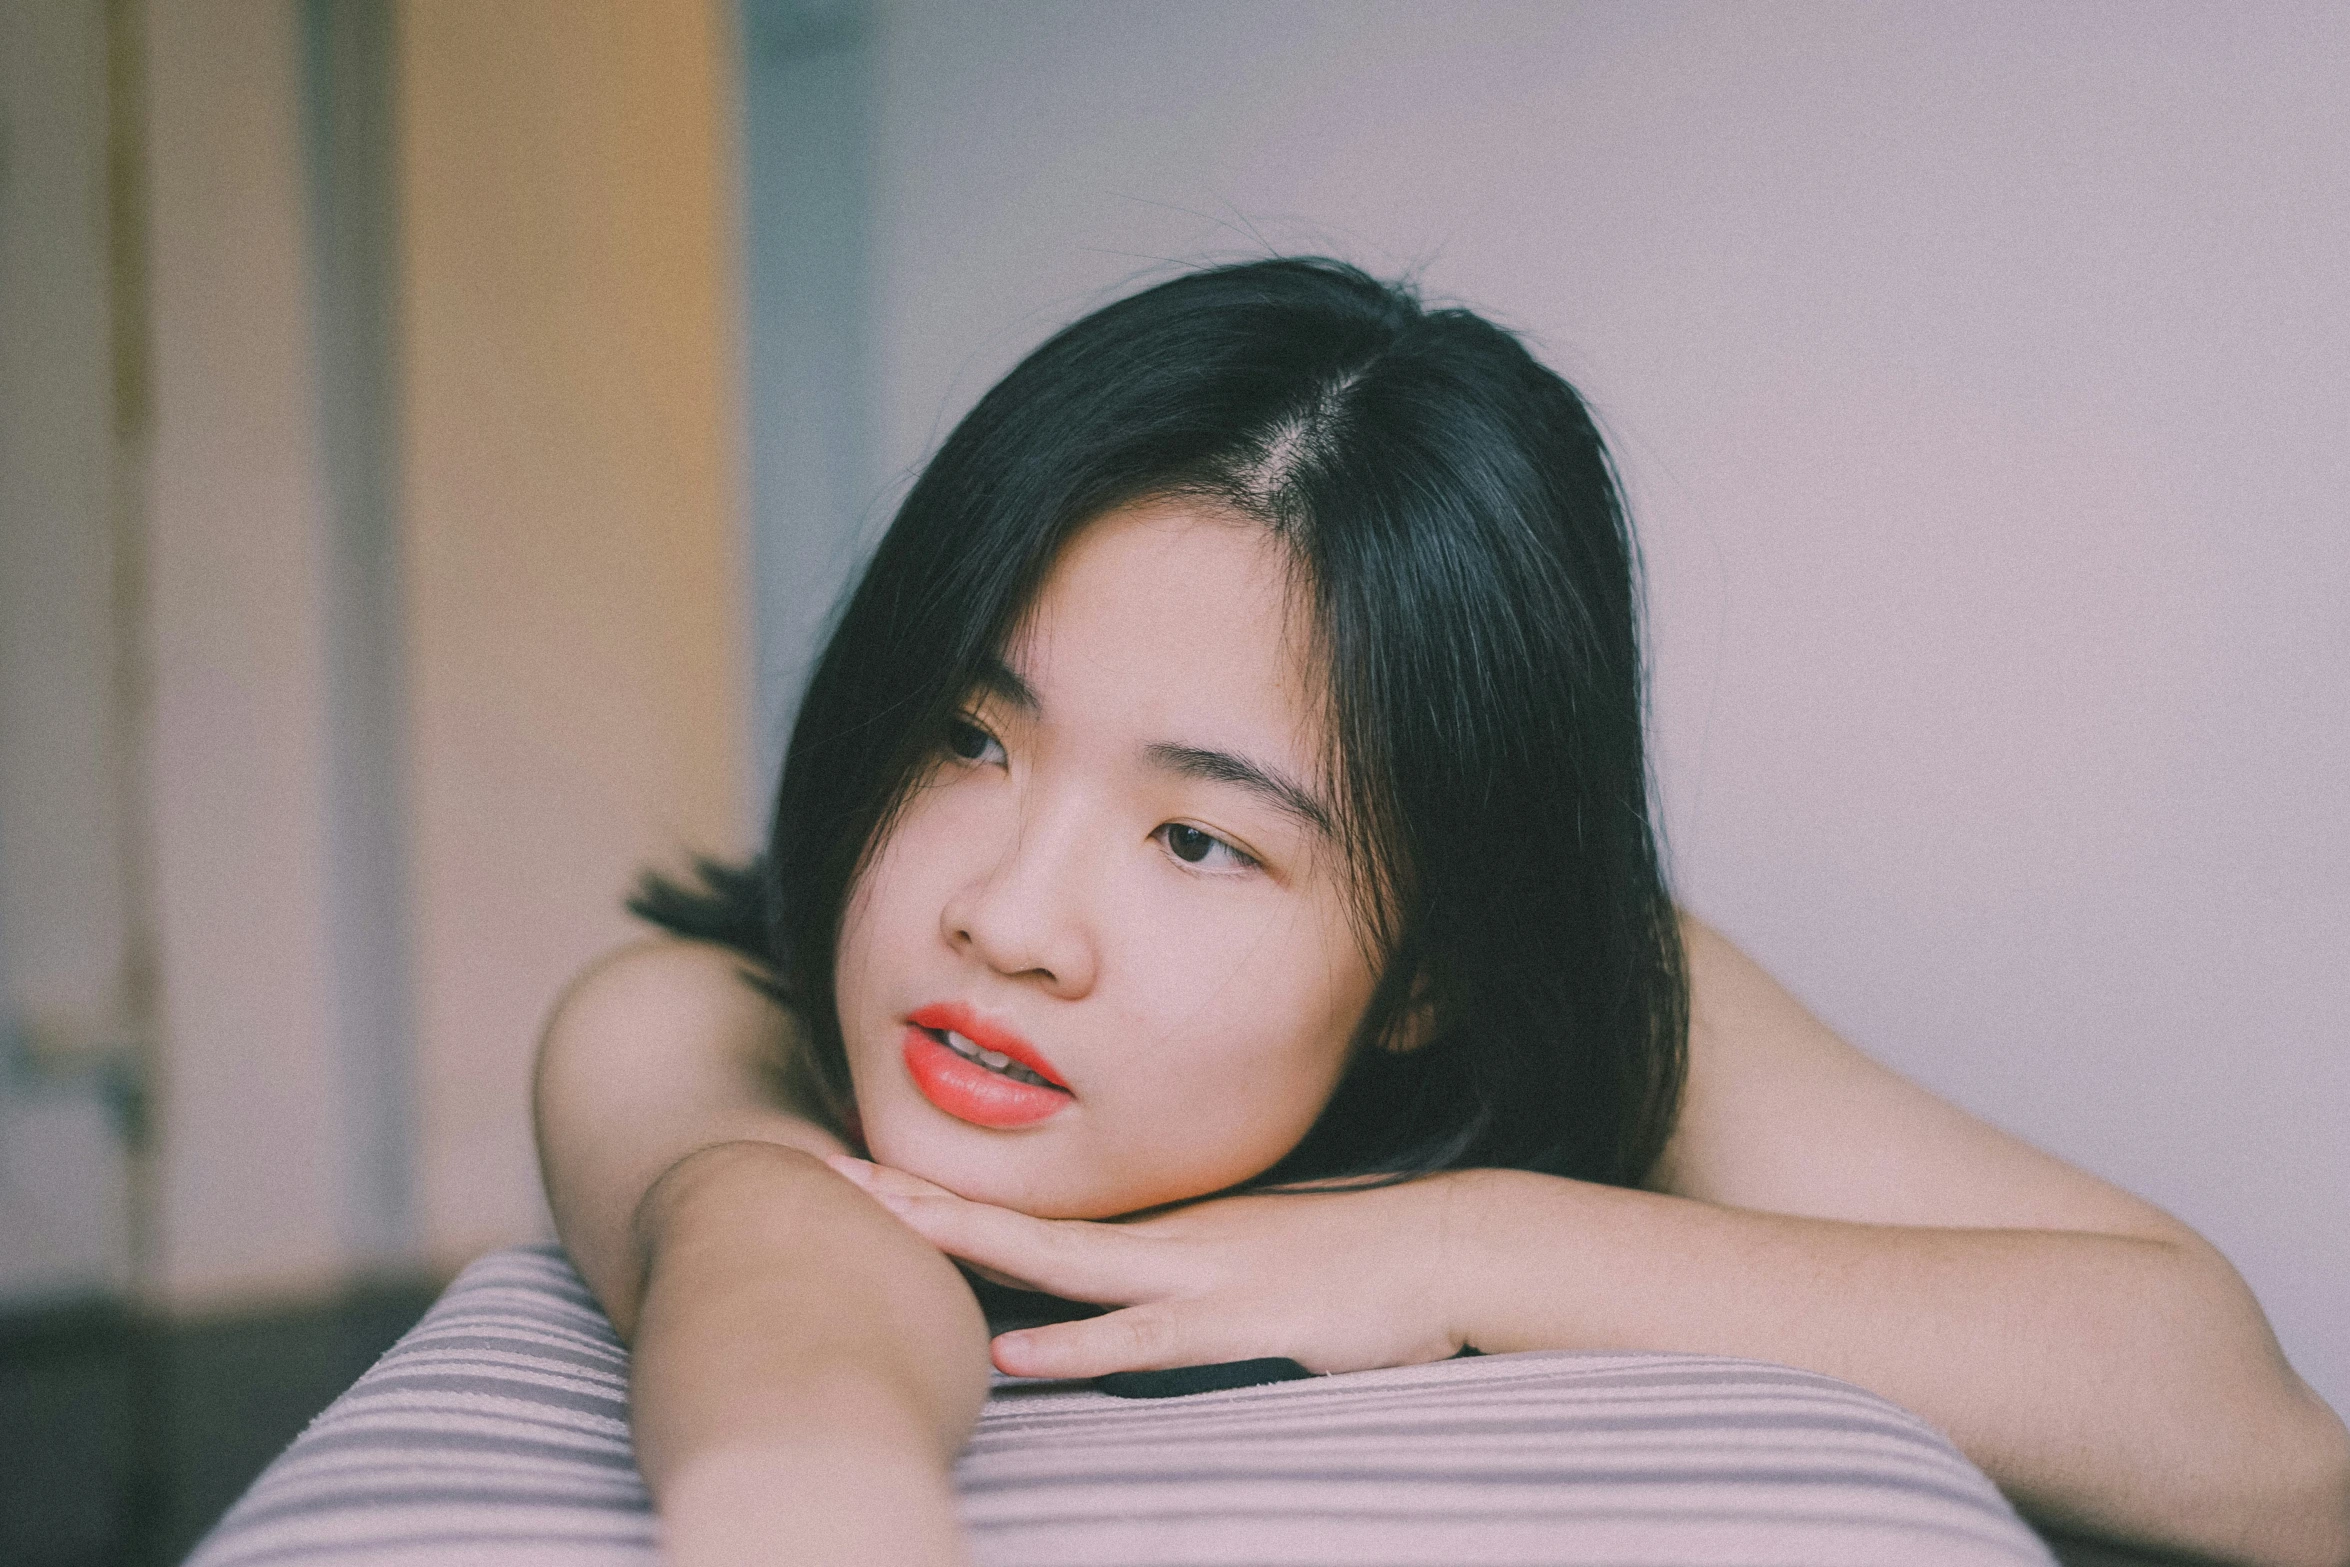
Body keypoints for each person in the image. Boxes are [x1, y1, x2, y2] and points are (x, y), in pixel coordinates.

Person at [532, 258, 2348, 1566]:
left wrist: (1462, 1246)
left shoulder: (1602, 996)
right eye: (965, 738)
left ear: (1429, 968)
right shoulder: (685, 1020)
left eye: (1196, 840)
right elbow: (790, 1279)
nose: (1008, 919)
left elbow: (2265, 1459)